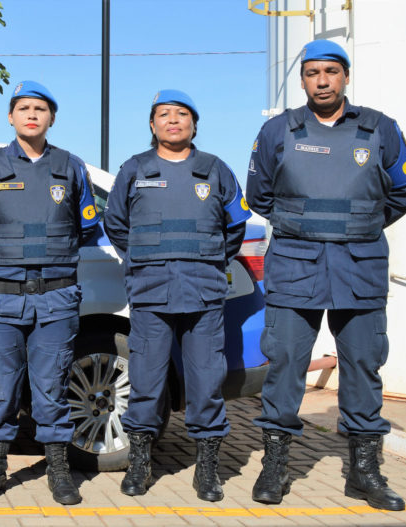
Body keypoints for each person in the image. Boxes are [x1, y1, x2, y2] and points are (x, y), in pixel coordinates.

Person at [246, 39, 406, 511]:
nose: (321, 81)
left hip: (359, 269)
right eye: (312, 73)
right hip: (295, 269)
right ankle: (275, 467)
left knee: (363, 367)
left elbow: (404, 189)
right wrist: (304, 229)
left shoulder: (379, 128)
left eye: (331, 72)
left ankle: (364, 473)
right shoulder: (278, 130)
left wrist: (362, 225)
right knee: (284, 367)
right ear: (302, 79)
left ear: (345, 76)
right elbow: (259, 195)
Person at [104, 90, 250, 502]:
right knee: (147, 382)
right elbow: (116, 225)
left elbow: (235, 226)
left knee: (206, 383)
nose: (173, 120)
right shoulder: (135, 169)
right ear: (152, 125)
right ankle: (139, 463)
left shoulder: (215, 170)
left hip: (203, 295)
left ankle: (207, 469)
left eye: (181, 114)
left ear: (193, 124)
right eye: (164, 115)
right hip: (151, 294)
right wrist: (142, 261)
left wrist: (208, 261)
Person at [0, 81, 99, 505]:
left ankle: (58, 470)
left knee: (52, 388)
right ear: (11, 116)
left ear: (51, 118)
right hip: (1, 299)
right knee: (1, 388)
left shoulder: (71, 167)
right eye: (24, 108)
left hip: (56, 299)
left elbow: (87, 226)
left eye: (40, 108)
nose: (32, 114)